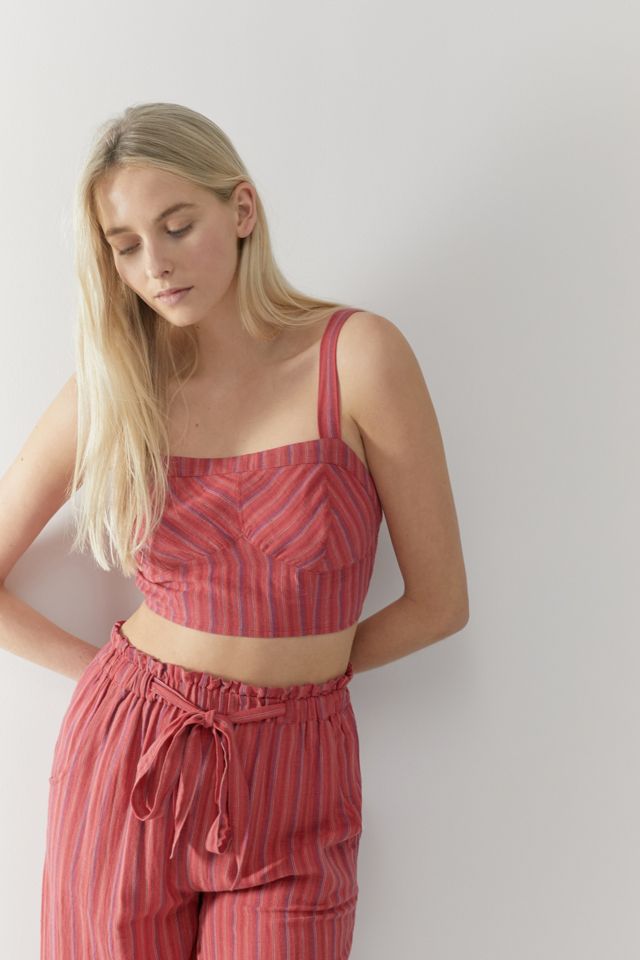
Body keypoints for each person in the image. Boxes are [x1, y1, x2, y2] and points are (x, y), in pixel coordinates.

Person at [0, 102, 469, 958]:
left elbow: (440, 603)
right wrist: (109, 682)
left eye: (177, 226)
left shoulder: (356, 357)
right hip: (131, 758)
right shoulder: (118, 385)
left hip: (299, 771)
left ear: (241, 209)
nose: (155, 264)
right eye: (125, 245)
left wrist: (290, 688)